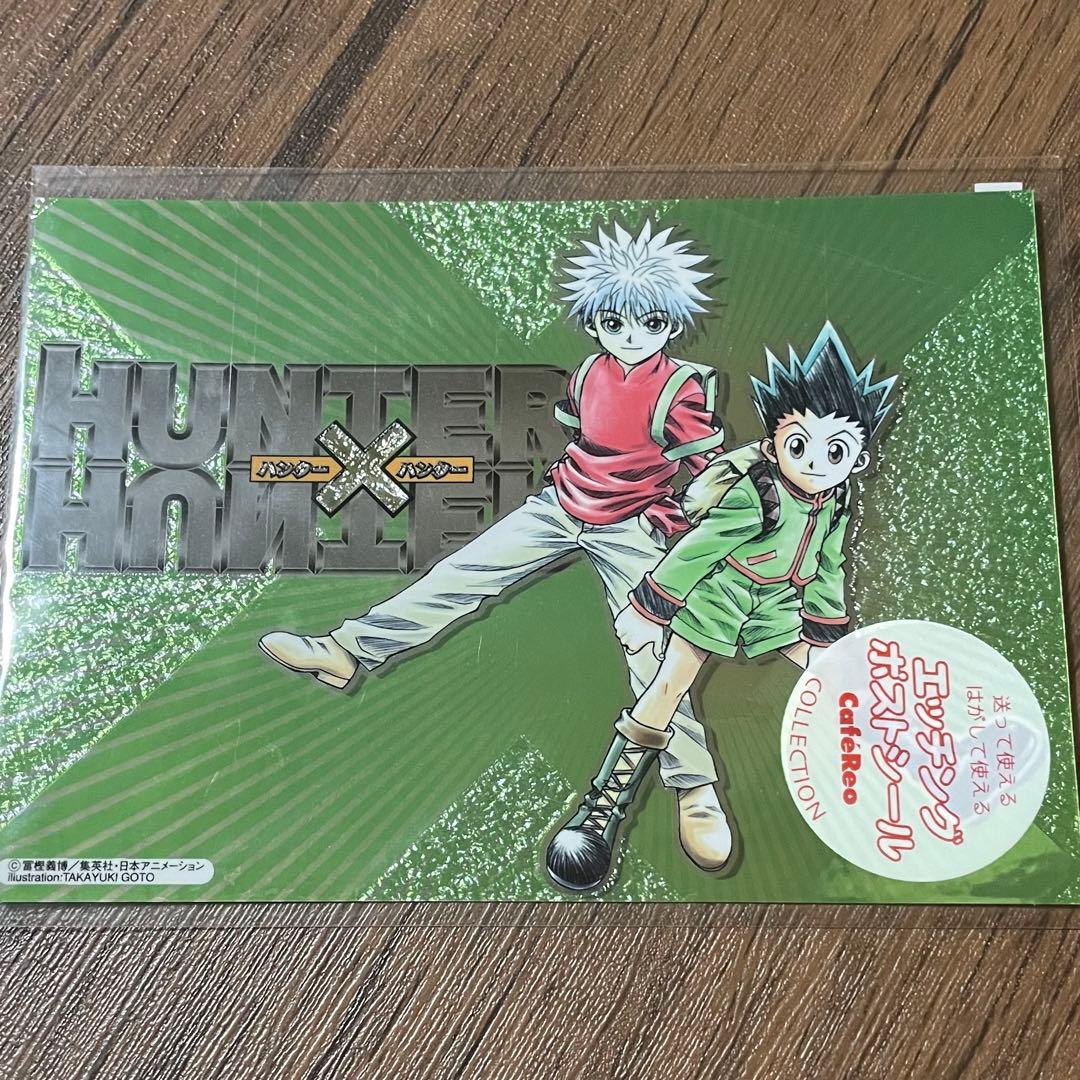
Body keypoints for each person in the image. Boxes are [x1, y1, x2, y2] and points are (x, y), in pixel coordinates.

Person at [259, 218, 734, 869]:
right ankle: (346, 650)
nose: (631, 336)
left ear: (671, 324)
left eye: (648, 323)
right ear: (595, 323)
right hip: (563, 503)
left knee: (654, 651)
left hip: (634, 526)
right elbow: (589, 440)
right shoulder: (591, 373)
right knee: (462, 573)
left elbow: (709, 471)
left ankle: (695, 788)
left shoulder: (682, 388)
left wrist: (691, 525)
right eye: (614, 322)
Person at [546, 321, 898, 892]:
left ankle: (900, 757)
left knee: (835, 676)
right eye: (799, 445)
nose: (816, 462)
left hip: (777, 605)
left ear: (856, 460)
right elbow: (698, 549)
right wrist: (649, 609)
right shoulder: (756, 493)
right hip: (719, 597)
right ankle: (601, 810)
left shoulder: (836, 500)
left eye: (836, 450)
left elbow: (828, 567)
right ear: (773, 445)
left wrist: (825, 637)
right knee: (665, 689)